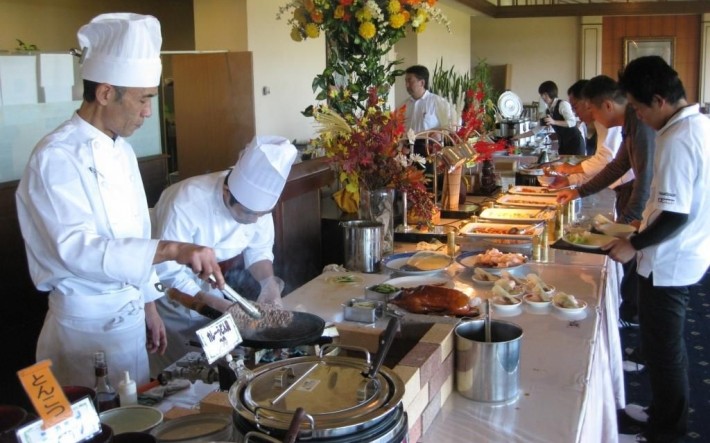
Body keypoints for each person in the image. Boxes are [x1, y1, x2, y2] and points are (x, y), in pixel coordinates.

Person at [15, 13, 225, 388]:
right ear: (106, 92)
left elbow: (136, 233)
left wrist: (148, 305)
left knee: (137, 417)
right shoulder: (56, 157)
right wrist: (173, 249)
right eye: (143, 99)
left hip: (129, 321)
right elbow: (78, 249)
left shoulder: (122, 151)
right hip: (83, 333)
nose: (148, 111)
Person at [605, 56, 710, 443]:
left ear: (659, 100)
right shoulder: (695, 124)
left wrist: (633, 243)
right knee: (659, 344)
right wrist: (641, 225)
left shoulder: (679, 138)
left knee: (665, 352)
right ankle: (659, 415)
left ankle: (667, 432)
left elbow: (677, 216)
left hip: (671, 260)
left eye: (637, 106)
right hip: (677, 254)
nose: (637, 116)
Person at [149, 136, 298, 373]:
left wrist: (268, 283)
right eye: (248, 213)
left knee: (221, 369)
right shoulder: (186, 201)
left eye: (262, 214)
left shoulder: (257, 207)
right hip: (169, 300)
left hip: (210, 286)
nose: (254, 220)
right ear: (227, 192)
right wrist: (219, 304)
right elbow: (167, 273)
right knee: (181, 375)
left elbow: (258, 250)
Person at [550, 78, 635, 219]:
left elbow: (606, 160)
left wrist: (571, 171)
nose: (576, 114)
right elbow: (613, 165)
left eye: (575, 107)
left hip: (630, 188)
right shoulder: (610, 121)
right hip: (623, 188)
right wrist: (572, 181)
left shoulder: (617, 122)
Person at [538, 80, 586, 156]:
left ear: (551, 93)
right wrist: (518, 137)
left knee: (576, 166)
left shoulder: (562, 104)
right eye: (541, 94)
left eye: (545, 94)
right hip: (563, 143)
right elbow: (538, 128)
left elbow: (572, 122)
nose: (543, 97)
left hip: (575, 142)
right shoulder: (548, 110)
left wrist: (554, 122)